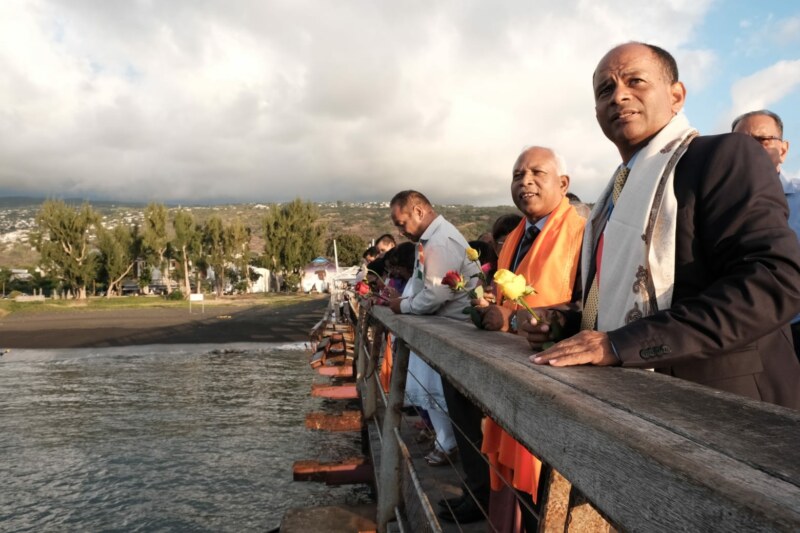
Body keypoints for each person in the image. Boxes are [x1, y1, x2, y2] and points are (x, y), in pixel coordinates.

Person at [525, 42, 800, 410]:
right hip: (637, 408)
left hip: (728, 406)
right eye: (605, 90)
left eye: (635, 81)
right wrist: (566, 321)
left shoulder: (721, 156)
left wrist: (620, 344)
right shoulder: (611, 197)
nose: (619, 95)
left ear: (676, 96)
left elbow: (775, 280)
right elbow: (621, 305)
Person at [478, 147, 585, 532]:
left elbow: (585, 305)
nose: (525, 181)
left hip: (559, 382)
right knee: (519, 492)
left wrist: (516, 315)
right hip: (512, 376)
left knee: (549, 494)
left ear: (563, 183)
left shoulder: (581, 233)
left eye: (537, 173)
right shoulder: (516, 237)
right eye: (517, 174)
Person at [385, 190, 488, 523]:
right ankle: (474, 493)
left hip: (460, 338)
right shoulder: (433, 239)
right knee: (462, 422)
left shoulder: (440, 242)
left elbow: (434, 295)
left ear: (417, 211)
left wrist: (403, 306)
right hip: (453, 337)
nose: (401, 231)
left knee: (468, 424)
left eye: (402, 223)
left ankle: (479, 498)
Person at [732, 110, 800, 361]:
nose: (750, 149)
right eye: (740, 143)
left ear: (783, 149)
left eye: (763, 140)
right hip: (744, 337)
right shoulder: (712, 206)